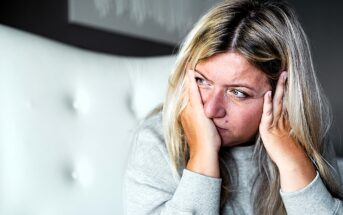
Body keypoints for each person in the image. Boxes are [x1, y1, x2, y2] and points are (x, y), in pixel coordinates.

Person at [124, 0, 343, 214]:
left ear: (282, 96)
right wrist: (202, 154)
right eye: (202, 81)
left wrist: (291, 160)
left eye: (238, 92)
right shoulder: (156, 139)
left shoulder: (305, 137)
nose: (210, 110)